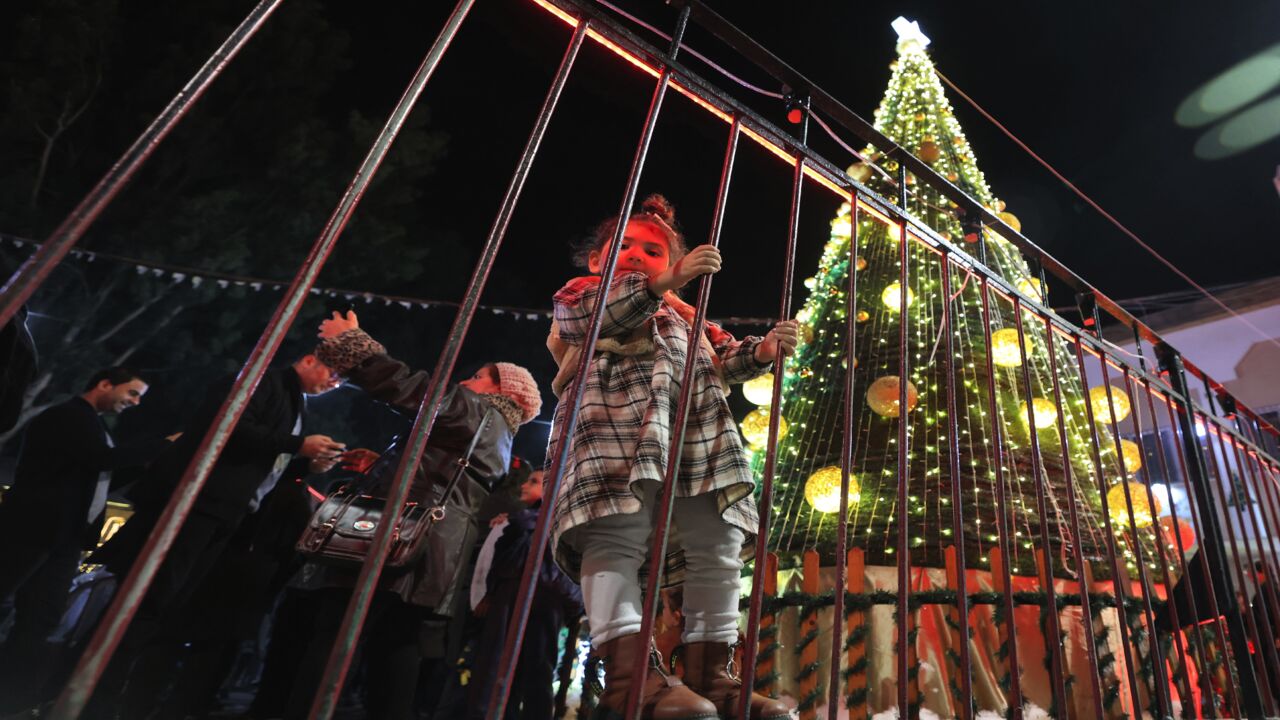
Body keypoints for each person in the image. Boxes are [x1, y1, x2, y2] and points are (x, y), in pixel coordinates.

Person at [546, 194, 796, 720]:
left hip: (695, 436)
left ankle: (714, 676)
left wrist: (765, 351)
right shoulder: (583, 293)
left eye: (654, 251)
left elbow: (725, 358)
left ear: (675, 269)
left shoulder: (689, 316)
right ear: (596, 261)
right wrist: (660, 282)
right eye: (624, 246)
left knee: (719, 539)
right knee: (617, 530)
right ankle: (633, 682)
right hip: (613, 424)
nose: (637, 254)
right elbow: (585, 318)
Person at [272, 313, 543, 720]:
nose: (465, 383)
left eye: (477, 377)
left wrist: (355, 346)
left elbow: (413, 391)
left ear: (501, 390)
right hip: (433, 553)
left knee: (333, 638)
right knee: (396, 650)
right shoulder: (500, 433)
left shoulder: (478, 411)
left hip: (399, 542)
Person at [84, 352, 347, 717]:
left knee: (165, 604)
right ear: (308, 360)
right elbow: (231, 427)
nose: (333, 384)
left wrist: (304, 461)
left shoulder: (291, 399)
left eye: (340, 381)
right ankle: (92, 690)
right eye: (333, 373)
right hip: (199, 504)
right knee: (150, 598)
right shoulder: (263, 382)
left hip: (225, 513)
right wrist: (295, 446)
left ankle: (107, 692)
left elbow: (264, 460)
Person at [0, 367, 172, 713]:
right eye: (132, 392)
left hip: (65, 538)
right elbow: (99, 461)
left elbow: (102, 475)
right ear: (105, 384)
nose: (135, 403)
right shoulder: (67, 416)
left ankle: (11, 694)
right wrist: (163, 446)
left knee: (41, 618)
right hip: (34, 528)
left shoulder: (94, 427)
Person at [468, 466, 583, 720]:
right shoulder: (526, 519)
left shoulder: (541, 519)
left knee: (505, 667)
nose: (524, 485)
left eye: (534, 481)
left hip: (532, 595)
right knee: (525, 671)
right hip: (538, 597)